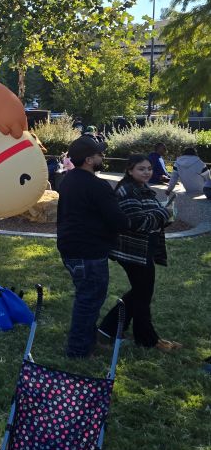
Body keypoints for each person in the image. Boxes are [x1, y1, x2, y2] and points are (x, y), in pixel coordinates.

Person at [97, 154, 180, 351]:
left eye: (149, 168)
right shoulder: (127, 190)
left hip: (144, 248)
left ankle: (109, 331)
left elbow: (151, 217)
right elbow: (138, 223)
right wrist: (163, 213)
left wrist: (165, 215)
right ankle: (147, 339)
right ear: (129, 170)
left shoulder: (142, 188)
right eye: (141, 169)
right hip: (133, 251)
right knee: (142, 294)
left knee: (141, 293)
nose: (147, 172)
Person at [56, 135, 128, 358]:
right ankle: (78, 350)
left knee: (87, 297)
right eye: (99, 154)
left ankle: (88, 341)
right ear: (89, 159)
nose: (102, 156)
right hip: (89, 252)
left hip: (70, 249)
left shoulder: (68, 180)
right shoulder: (97, 186)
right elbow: (118, 220)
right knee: (89, 301)